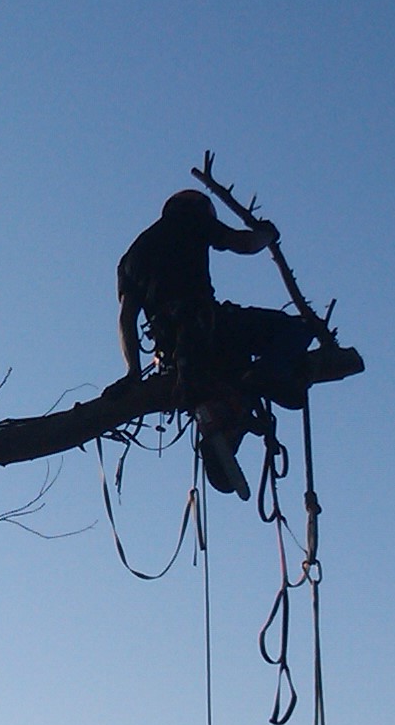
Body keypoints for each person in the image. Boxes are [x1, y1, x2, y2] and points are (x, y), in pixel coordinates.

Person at [108, 188, 314, 498]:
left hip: (175, 351)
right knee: (297, 329)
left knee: (230, 375)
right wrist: (267, 234)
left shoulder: (131, 256)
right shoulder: (189, 219)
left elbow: (126, 320)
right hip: (207, 327)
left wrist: (132, 372)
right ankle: (269, 372)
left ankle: (224, 418)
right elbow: (243, 243)